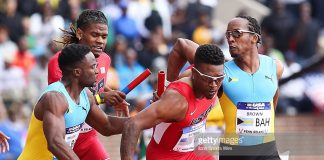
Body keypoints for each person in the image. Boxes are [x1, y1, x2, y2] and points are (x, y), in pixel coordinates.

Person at [166, 16, 284, 160]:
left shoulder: (275, 66)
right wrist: (167, 87)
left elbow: (273, 98)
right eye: (228, 34)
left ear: (254, 38)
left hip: (268, 151)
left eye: (236, 33)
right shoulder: (221, 73)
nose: (230, 39)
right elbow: (182, 48)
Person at [18, 44, 129, 159]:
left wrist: (142, 120)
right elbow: (55, 143)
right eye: (92, 67)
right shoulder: (54, 98)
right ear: (77, 72)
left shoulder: (86, 96)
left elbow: (107, 125)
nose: (97, 71)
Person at [120, 44, 225, 160]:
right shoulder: (177, 101)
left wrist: (169, 82)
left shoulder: (210, 67)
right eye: (208, 79)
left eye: (219, 78)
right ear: (194, 73)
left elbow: (181, 44)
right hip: (167, 156)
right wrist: (170, 87)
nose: (214, 85)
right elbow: (131, 125)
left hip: (195, 151)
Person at [48, 9, 126, 159]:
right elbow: (66, 103)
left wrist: (116, 97)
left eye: (104, 36)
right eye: (95, 35)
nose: (100, 41)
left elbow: (96, 84)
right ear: (79, 33)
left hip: (88, 138)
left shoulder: (105, 59)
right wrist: (102, 97)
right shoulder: (60, 62)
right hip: (62, 140)